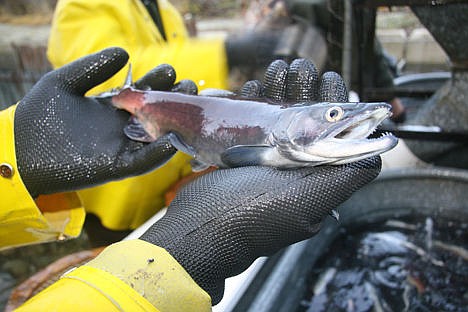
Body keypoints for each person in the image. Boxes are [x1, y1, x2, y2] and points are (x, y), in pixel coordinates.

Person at [1, 48, 381, 310]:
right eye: (333, 115)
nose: (340, 119)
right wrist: (178, 256)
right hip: (113, 211)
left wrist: (8, 157)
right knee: (108, 238)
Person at [46, 0, 280, 235]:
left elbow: (179, 84)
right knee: (122, 257)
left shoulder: (165, 10)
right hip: (114, 189)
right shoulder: (81, 5)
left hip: (164, 181)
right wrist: (227, 53)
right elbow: (107, 74)